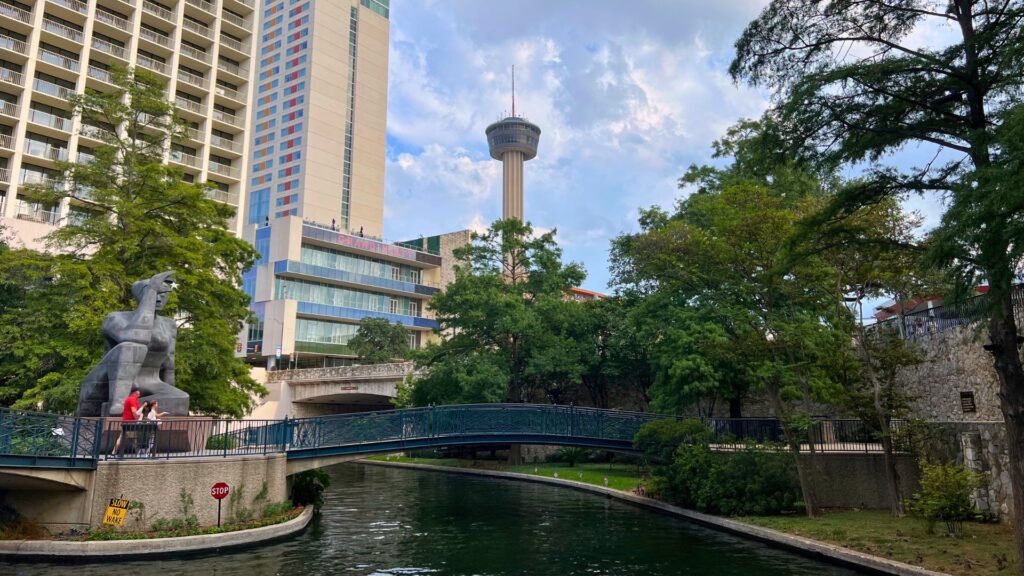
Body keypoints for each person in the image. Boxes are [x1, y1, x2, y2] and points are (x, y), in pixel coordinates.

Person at [112, 388, 142, 456]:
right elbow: (134, 411)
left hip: (126, 422)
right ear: (134, 393)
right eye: (138, 394)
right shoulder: (133, 399)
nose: (139, 395)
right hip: (131, 422)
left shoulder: (129, 399)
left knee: (122, 437)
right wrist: (137, 419)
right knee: (135, 438)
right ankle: (138, 454)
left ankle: (114, 452)